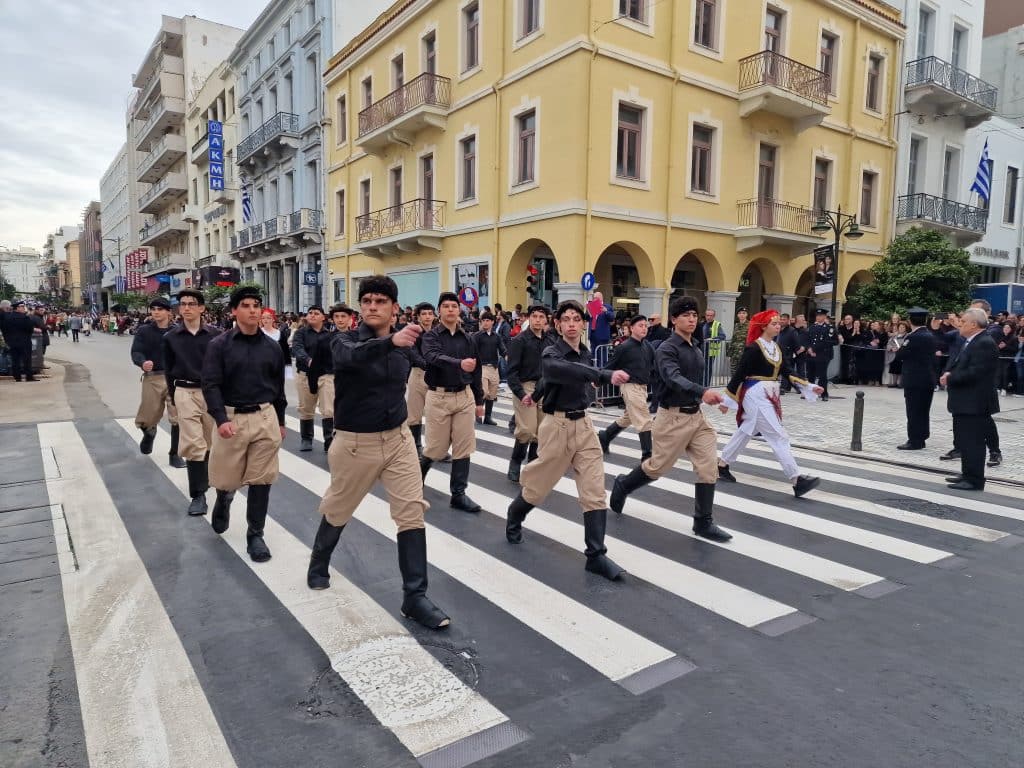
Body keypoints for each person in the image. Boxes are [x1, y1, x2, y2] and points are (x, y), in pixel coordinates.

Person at [306, 275, 450, 630]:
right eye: (367, 300)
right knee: (339, 508)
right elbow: (351, 357)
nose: (372, 306)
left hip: (399, 440)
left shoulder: (407, 343)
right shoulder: (342, 340)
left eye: (380, 301)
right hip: (356, 443)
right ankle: (319, 560)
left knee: (412, 513)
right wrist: (391, 343)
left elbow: (427, 364)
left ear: (394, 308)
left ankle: (414, 597)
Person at [506, 300, 631, 580]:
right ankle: (515, 514)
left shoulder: (585, 351)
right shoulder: (551, 351)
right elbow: (555, 371)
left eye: (577, 319)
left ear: (583, 324)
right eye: (567, 319)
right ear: (558, 325)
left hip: (584, 425)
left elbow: (550, 382)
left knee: (594, 489)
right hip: (557, 426)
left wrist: (535, 395)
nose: (572, 323)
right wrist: (602, 374)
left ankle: (596, 555)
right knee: (539, 486)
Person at [609, 296, 731, 541]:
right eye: (686, 315)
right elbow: (672, 377)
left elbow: (695, 381)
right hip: (672, 418)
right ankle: (623, 484)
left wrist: (713, 399)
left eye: (694, 315)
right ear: (674, 320)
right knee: (656, 468)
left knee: (708, 468)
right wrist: (702, 392)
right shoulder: (667, 348)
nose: (692, 319)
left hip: (696, 417)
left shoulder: (696, 347)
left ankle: (703, 523)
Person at [202, 286, 287, 561]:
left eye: (256, 305)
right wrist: (220, 419)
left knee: (262, 480)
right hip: (231, 418)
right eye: (247, 305)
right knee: (226, 477)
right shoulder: (219, 345)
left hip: (265, 417)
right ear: (234, 311)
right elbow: (211, 384)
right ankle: (224, 499)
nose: (253, 310)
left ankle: (255, 534)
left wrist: (281, 421)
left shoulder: (273, 347)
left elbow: (279, 388)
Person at [715, 310, 823, 497]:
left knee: (746, 430)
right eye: (773, 323)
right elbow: (739, 374)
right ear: (764, 327)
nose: (778, 326)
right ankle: (796, 479)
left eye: (778, 323)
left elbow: (787, 371)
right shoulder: (754, 348)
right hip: (755, 394)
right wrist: (727, 400)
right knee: (778, 435)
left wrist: (808, 386)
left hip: (770, 394)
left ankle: (722, 464)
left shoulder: (776, 347)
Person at [420, 292, 485, 514]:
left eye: (453, 306)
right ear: (440, 311)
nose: (450, 309)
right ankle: (415, 483)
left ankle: (458, 494)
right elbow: (432, 357)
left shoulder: (469, 339)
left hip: (464, 396)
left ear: (459, 311)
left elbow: (476, 369)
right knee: (435, 449)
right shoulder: (431, 337)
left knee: (463, 447)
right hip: (438, 397)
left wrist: (479, 399)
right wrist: (459, 364)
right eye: (445, 306)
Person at [163, 289, 221, 516]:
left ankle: (214, 483)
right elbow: (168, 369)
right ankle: (198, 495)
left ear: (201, 308)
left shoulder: (216, 335)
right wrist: (173, 396)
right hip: (184, 391)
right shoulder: (171, 338)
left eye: (191, 303)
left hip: (212, 392)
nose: (186, 308)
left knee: (211, 442)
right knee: (193, 443)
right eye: (182, 304)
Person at [940, 307, 999, 491]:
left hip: (974, 402)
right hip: (965, 402)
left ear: (974, 324)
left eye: (963, 321)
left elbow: (976, 372)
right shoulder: (971, 341)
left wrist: (950, 377)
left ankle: (974, 479)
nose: (960, 324)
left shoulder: (984, 342)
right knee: (965, 440)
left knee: (973, 441)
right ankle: (967, 474)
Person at [131, 297, 183, 467]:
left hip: (175, 379)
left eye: (160, 309)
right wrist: (142, 362)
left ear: (169, 312)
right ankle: (149, 432)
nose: (156, 312)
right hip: (152, 377)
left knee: (178, 417)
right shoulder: (144, 331)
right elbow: (136, 351)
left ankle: (175, 454)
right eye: (153, 309)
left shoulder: (178, 331)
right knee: (147, 416)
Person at [598, 314, 654, 459]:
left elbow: (656, 365)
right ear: (632, 328)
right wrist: (598, 381)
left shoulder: (648, 346)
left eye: (645, 326)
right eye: (640, 326)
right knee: (644, 420)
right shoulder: (624, 347)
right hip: (630, 387)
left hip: (642, 387)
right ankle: (647, 456)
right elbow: (609, 367)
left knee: (628, 417)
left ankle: (605, 436)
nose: (644, 328)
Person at [505, 304, 549, 483]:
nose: (538, 320)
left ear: (546, 320)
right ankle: (515, 463)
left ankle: (532, 465)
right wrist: (521, 393)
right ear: (529, 318)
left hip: (545, 387)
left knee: (541, 430)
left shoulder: (550, 341)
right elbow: (511, 371)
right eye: (534, 316)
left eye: (541, 317)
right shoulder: (519, 341)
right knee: (527, 429)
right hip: (525, 386)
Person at [892, 308, 936, 450]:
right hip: (927, 378)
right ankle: (922, 437)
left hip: (915, 378)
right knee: (923, 410)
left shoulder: (913, 337)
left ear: (910, 321)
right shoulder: (929, 335)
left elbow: (900, 355)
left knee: (913, 410)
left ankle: (914, 440)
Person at [291, 306, 334, 452]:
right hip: (305, 374)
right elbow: (297, 349)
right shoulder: (300, 333)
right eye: (310, 313)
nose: (313, 315)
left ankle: (329, 439)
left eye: (316, 313)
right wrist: (308, 360)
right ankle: (306, 438)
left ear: (323, 317)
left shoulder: (329, 335)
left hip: (324, 375)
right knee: (306, 407)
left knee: (328, 408)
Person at [406, 302, 436, 456]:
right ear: (418, 317)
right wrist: (427, 365)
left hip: (436, 375)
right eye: (424, 314)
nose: (427, 317)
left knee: (436, 413)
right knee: (415, 413)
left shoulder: (437, 333)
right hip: (418, 373)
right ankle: (416, 444)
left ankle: (436, 446)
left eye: (430, 313)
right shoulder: (414, 333)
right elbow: (413, 353)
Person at [474, 311, 506, 426]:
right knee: (484, 392)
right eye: (483, 321)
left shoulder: (497, 336)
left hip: (494, 368)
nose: (485, 323)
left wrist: (507, 356)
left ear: (492, 322)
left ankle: (488, 417)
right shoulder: (477, 336)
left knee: (492, 394)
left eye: (488, 320)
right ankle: (478, 415)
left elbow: (502, 350)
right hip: (481, 367)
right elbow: (472, 352)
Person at [3, 301, 37, 381]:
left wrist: (8, 339)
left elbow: (4, 329)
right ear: (17, 308)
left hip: (12, 342)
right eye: (22, 306)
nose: (23, 308)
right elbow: (30, 329)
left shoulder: (7, 317)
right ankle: (29, 377)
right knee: (27, 359)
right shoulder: (25, 317)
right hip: (24, 341)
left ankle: (17, 377)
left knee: (15, 360)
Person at [807, 308, 837, 400]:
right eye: (817, 315)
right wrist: (809, 349)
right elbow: (808, 339)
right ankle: (811, 393)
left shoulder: (829, 328)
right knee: (810, 374)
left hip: (823, 354)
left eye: (820, 316)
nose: (818, 317)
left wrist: (814, 349)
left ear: (824, 317)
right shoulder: (812, 327)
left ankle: (824, 394)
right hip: (811, 354)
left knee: (822, 375)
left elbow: (833, 341)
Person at [698, 308, 727, 385]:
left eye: (711, 315)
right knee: (699, 368)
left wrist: (712, 339)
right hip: (700, 350)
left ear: (714, 316)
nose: (709, 317)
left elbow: (723, 336)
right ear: (705, 315)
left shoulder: (717, 325)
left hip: (710, 351)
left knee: (707, 369)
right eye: (707, 315)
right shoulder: (701, 324)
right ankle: (700, 384)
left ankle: (706, 385)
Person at [726, 307, 749, 374]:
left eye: (744, 313)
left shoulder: (750, 325)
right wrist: (729, 354)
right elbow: (733, 340)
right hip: (735, 355)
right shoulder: (736, 325)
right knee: (733, 373)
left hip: (744, 354)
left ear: (746, 314)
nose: (742, 315)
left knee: (742, 373)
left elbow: (751, 340)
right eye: (740, 313)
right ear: (737, 315)